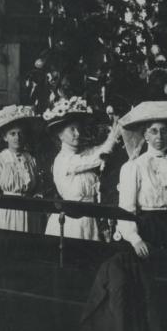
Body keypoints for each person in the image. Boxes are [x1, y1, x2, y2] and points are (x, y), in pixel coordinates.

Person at [116, 100, 167, 257]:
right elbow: (126, 210)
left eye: (164, 131)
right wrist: (135, 239)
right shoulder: (134, 166)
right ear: (145, 135)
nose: (159, 136)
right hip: (147, 228)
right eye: (153, 131)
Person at [43, 96, 121, 240]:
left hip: (90, 219)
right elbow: (97, 158)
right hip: (71, 222)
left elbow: (97, 150)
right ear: (60, 134)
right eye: (72, 130)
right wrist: (113, 137)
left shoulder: (82, 152)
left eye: (78, 129)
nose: (77, 134)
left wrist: (114, 131)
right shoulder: (63, 160)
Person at [0, 105, 42, 232]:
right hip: (7, 212)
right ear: (5, 137)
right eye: (12, 134)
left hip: (29, 212)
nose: (17, 137)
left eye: (20, 133)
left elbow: (38, 187)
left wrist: (37, 196)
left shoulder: (31, 160)